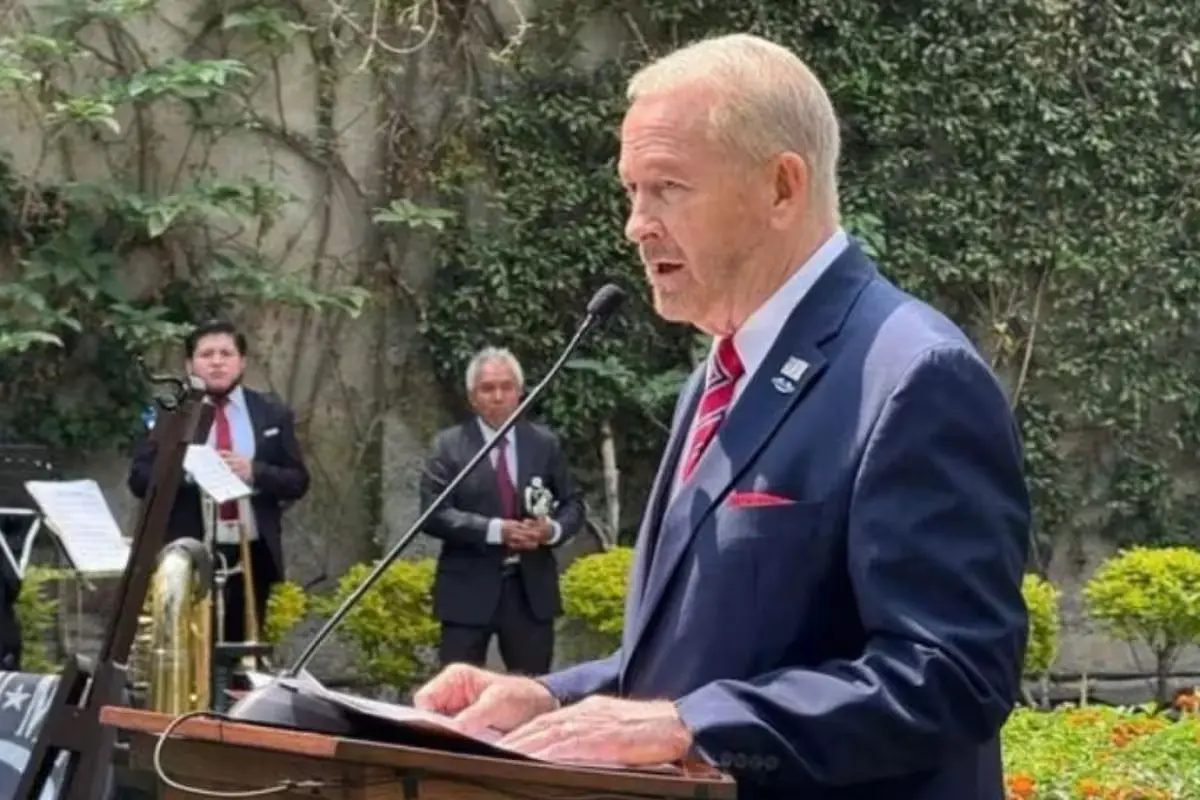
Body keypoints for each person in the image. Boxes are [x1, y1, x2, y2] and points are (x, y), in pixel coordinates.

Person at [412, 33, 1031, 800]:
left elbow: (953, 673)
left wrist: (695, 729)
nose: (637, 224)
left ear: (782, 187)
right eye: (631, 191)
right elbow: (704, 662)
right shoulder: (716, 378)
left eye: (667, 187)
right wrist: (551, 696)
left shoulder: (913, 374)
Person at [128, 319, 310, 645]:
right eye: (206, 354)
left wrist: (254, 471)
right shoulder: (169, 413)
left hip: (250, 553)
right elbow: (139, 480)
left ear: (242, 362)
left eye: (226, 353)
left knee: (240, 651)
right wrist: (188, 471)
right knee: (185, 649)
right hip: (186, 552)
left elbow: (297, 480)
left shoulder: (270, 412)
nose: (216, 362)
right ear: (189, 364)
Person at [419, 347, 585, 676]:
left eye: (506, 387)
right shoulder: (449, 446)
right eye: (488, 388)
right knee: (456, 692)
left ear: (520, 392)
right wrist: (496, 530)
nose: (498, 397)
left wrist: (549, 531)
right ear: (472, 397)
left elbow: (573, 504)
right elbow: (433, 514)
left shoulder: (544, 444)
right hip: (468, 590)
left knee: (531, 690)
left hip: (529, 592)